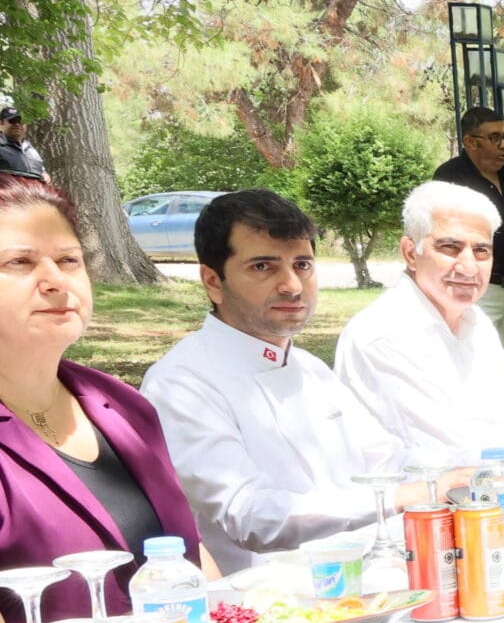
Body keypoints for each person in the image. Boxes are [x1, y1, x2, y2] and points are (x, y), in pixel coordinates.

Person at [141, 190, 471, 574]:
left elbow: (387, 459)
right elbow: (249, 516)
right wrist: (401, 496)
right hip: (269, 606)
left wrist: (480, 469)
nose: (292, 286)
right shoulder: (181, 383)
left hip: (376, 574)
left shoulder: (308, 367)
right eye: (263, 267)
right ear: (213, 281)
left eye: (302, 265)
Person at [0, 176, 207, 623]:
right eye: (20, 262)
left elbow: (188, 557)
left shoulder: (123, 404)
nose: (55, 281)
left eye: (69, 260)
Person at [333, 181, 504, 469]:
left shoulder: (475, 320)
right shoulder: (383, 334)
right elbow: (433, 456)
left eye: (481, 251)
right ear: (410, 252)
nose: (469, 267)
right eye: (450, 247)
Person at [434, 107, 504, 384]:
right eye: (494, 138)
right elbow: (458, 238)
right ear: (470, 142)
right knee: (475, 369)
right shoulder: (451, 179)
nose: (503, 145)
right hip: (478, 291)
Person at [0, 106, 44, 180]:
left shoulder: (32, 150)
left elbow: (42, 172)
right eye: (12, 121)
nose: (17, 124)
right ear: (1, 123)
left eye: (21, 121)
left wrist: (44, 173)